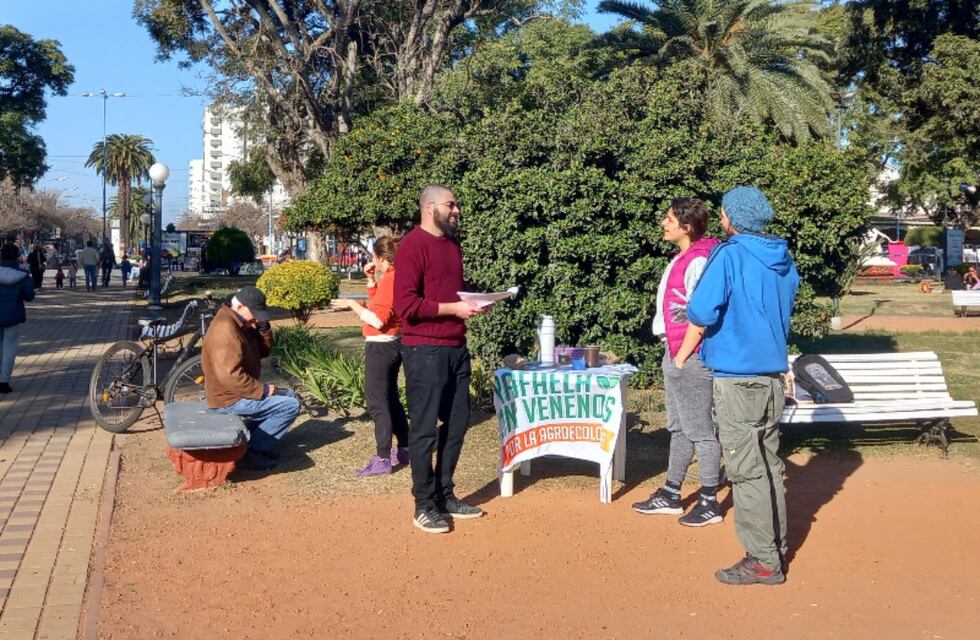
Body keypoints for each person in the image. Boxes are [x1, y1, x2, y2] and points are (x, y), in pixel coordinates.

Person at [686, 186, 800, 586]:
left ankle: (763, 560)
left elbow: (700, 309)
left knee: (747, 471)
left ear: (733, 218)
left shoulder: (730, 255)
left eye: (723, 212)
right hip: (771, 378)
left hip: (737, 378)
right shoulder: (783, 260)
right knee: (768, 467)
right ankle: (776, 548)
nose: (721, 218)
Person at [394, 184, 491, 534]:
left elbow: (448, 295)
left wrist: (474, 303)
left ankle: (444, 494)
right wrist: (454, 308)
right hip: (424, 351)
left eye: (456, 205)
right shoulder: (411, 246)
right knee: (423, 432)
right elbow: (405, 306)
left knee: (457, 425)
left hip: (455, 348)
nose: (457, 210)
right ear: (429, 207)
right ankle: (423, 505)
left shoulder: (452, 246)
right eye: (451, 204)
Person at [632, 197, 722, 526]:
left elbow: (702, 313)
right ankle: (672, 494)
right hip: (675, 350)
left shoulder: (697, 261)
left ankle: (709, 500)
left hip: (690, 355)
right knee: (680, 428)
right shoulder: (683, 257)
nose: (663, 223)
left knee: (701, 431)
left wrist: (683, 356)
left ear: (686, 226)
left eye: (670, 219)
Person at [331, 236, 410, 477]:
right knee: (391, 397)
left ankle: (383, 458)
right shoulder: (397, 277)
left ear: (383, 259)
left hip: (381, 346)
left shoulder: (390, 279)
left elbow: (377, 319)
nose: (372, 261)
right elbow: (382, 306)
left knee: (378, 403)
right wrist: (370, 281)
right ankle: (405, 449)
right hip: (395, 342)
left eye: (375, 257)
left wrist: (351, 305)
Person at [202, 285, 301, 470]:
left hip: (235, 393)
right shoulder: (226, 329)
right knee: (290, 405)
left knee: (290, 396)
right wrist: (261, 390)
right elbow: (229, 375)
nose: (256, 317)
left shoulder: (239, 323)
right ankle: (252, 451)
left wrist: (263, 328)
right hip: (228, 399)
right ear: (239, 307)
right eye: (254, 313)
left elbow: (263, 351)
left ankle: (250, 442)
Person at [0, 243, 36, 394]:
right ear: (17, 257)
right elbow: (29, 296)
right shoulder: (22, 275)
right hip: (13, 315)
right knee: (10, 347)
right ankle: (4, 382)